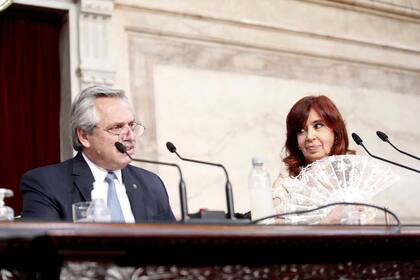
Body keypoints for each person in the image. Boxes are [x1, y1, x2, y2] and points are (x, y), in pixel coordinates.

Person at [20, 85, 175, 222]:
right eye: (117, 127)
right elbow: (42, 249)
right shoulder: (46, 184)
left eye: (131, 125)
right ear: (84, 136)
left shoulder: (152, 184)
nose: (131, 136)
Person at [272, 95, 358, 224]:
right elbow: (276, 236)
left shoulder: (353, 175)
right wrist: (327, 222)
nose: (310, 137)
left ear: (335, 132)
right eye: (301, 130)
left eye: (318, 126)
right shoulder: (286, 182)